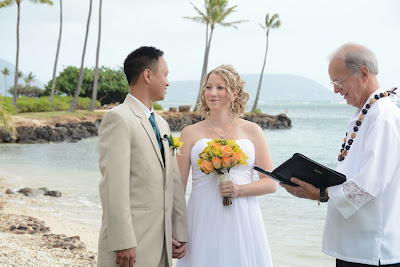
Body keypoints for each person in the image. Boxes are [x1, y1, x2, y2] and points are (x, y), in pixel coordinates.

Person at [281, 43, 400, 266]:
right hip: (354, 245)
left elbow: (369, 183)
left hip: (373, 249)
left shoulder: (383, 116)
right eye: (333, 83)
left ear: (363, 73)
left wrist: (321, 193)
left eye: (339, 81)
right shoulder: (364, 113)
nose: (336, 90)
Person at [176, 65, 277, 267]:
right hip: (202, 216)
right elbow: (177, 188)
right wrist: (176, 229)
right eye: (208, 87)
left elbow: (270, 183)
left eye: (220, 87)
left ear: (234, 93)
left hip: (243, 218)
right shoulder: (189, 133)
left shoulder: (252, 130)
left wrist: (239, 190)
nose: (212, 93)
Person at [97, 46, 188, 267]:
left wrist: (179, 231)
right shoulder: (118, 119)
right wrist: (123, 241)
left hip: (163, 244)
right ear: (148, 75)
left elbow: (172, 181)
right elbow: (113, 186)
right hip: (131, 246)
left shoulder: (162, 124)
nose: (167, 82)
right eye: (165, 75)